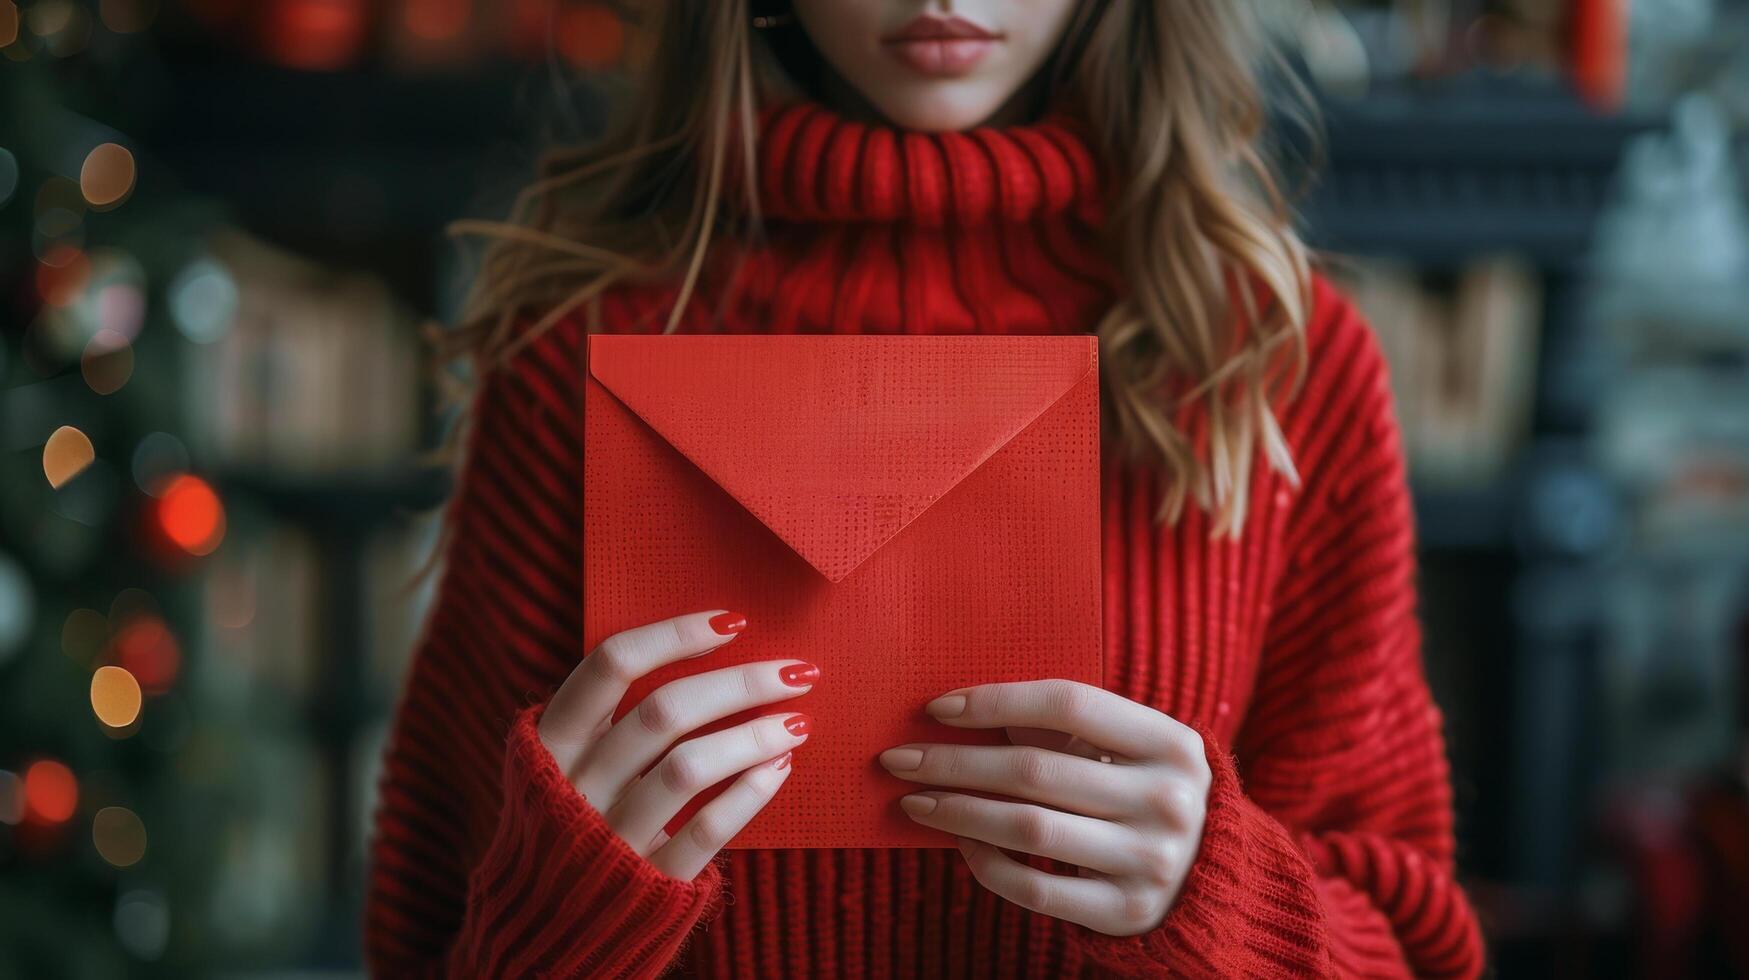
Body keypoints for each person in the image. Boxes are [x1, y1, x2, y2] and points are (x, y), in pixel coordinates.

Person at [365, 2, 1486, 976]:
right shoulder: (573, 359)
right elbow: (427, 948)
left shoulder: (1283, 369)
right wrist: (571, 908)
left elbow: (1415, 944)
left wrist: (1220, 895)